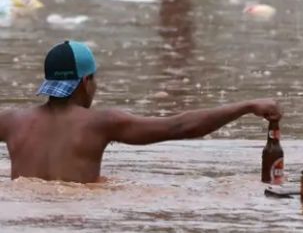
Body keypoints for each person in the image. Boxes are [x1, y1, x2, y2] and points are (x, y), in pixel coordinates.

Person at [0, 40, 281, 183]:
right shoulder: (101, 123)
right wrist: (246, 106)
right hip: (76, 222)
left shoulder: (12, 121)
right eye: (94, 79)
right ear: (85, 82)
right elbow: (179, 127)